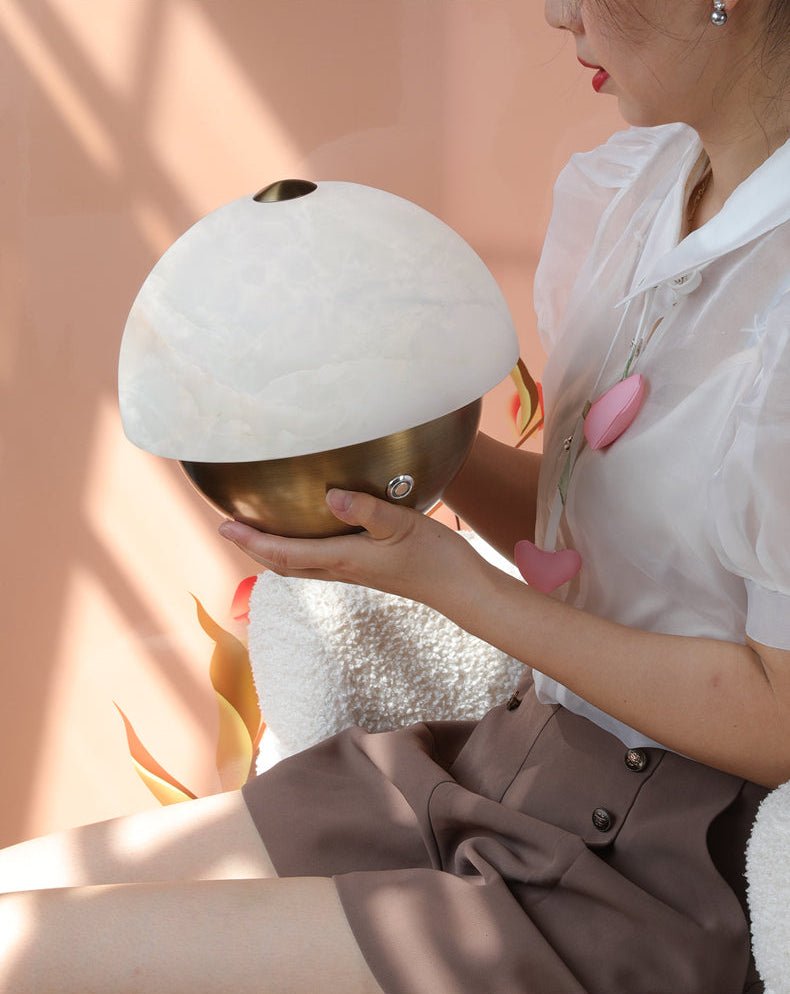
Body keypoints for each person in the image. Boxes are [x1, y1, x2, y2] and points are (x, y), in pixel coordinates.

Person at [1, 0, 788, 988]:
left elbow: (777, 717)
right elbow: (608, 517)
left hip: (644, 880)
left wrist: (457, 587)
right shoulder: (630, 190)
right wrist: (386, 441)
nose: (556, 15)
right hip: (504, 770)